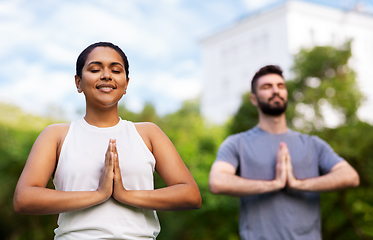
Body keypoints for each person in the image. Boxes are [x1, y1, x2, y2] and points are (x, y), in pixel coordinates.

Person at [13, 42, 202, 240]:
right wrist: (98, 195)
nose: (106, 75)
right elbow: (24, 199)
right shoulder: (56, 135)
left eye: (116, 70)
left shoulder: (148, 133)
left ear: (126, 84)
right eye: (95, 69)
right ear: (78, 82)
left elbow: (189, 194)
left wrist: (125, 195)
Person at [208, 65, 359, 240]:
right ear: (254, 99)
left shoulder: (313, 144)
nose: (275, 91)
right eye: (266, 87)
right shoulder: (237, 143)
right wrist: (274, 184)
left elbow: (350, 176)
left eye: (280, 86)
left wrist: (297, 184)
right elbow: (217, 182)